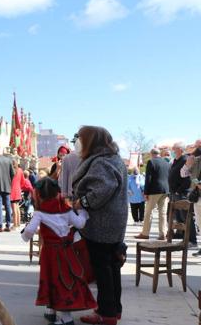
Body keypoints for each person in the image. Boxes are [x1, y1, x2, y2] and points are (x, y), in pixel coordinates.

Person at [72, 126, 127, 325]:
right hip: (111, 222)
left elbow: (103, 188)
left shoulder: (102, 161)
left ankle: (107, 314)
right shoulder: (111, 157)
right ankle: (112, 310)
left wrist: (81, 202)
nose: (78, 141)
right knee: (112, 267)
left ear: (92, 141)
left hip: (102, 223)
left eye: (81, 138)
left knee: (103, 269)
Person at [22, 177, 96, 325]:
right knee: (65, 281)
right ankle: (53, 312)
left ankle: (66, 319)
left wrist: (25, 235)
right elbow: (80, 224)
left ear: (40, 195)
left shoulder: (40, 213)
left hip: (50, 254)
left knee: (54, 281)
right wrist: (83, 212)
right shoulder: (65, 209)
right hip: (67, 252)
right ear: (57, 193)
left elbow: (29, 231)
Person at [135, 148, 170, 240]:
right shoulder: (166, 163)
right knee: (163, 213)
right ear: (159, 154)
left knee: (148, 212)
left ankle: (145, 233)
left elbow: (148, 178)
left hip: (154, 190)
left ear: (151, 154)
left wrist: (146, 192)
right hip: (165, 190)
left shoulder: (151, 162)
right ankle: (163, 234)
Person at [169, 142, 197, 248]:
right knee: (180, 218)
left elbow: (187, 179)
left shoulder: (185, 160)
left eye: (174, 148)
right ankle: (185, 239)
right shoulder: (176, 161)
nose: (172, 150)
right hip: (175, 193)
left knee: (187, 217)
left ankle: (192, 240)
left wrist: (178, 191)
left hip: (182, 193)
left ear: (180, 149)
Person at [10, 161, 33, 229]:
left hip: (12, 189)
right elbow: (23, 181)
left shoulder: (11, 171)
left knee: (14, 207)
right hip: (18, 189)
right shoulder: (20, 170)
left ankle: (15, 225)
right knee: (17, 207)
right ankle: (18, 224)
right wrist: (20, 187)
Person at [59, 134, 82, 201]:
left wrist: (64, 195)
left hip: (72, 195)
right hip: (88, 195)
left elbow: (61, 181)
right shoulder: (92, 156)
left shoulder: (67, 158)